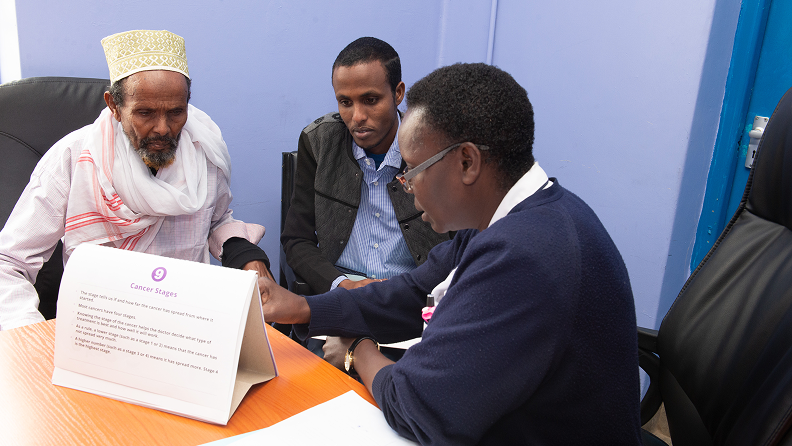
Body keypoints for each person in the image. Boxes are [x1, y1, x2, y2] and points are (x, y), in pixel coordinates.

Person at [261, 63, 641, 444]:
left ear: (466, 162)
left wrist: (357, 349)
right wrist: (306, 308)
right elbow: (410, 293)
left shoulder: (525, 255)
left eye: (411, 170)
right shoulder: (507, 220)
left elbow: (418, 407)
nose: (406, 186)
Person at [0, 30, 271, 331]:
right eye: (145, 113)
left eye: (176, 112)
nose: (163, 129)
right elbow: (7, 263)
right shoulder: (73, 158)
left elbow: (216, 220)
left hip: (184, 326)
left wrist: (247, 256)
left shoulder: (204, 154)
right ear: (114, 106)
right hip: (100, 331)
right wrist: (29, 337)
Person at [281, 37, 450, 360]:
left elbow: (459, 242)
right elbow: (296, 240)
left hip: (413, 301)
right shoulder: (318, 142)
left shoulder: (433, 147)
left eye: (370, 99)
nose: (357, 116)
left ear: (398, 93)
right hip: (341, 295)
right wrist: (341, 285)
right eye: (345, 102)